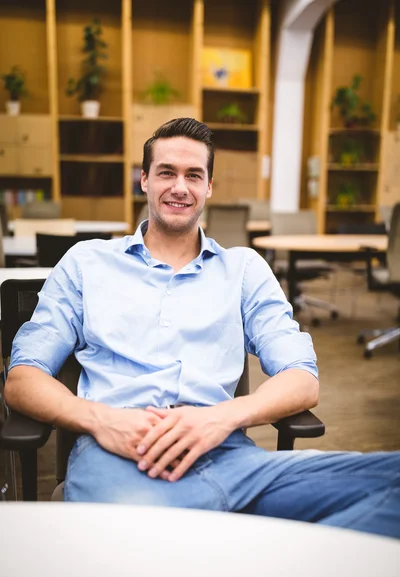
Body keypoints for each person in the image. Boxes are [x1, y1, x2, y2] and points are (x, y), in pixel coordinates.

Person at [5, 118, 400, 538]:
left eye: (194, 175)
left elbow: (302, 380)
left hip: (228, 457)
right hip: (122, 455)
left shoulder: (244, 269)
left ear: (209, 186)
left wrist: (218, 419)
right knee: (137, 544)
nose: (180, 187)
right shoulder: (87, 262)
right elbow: (22, 379)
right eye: (166, 172)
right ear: (144, 180)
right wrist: (101, 420)